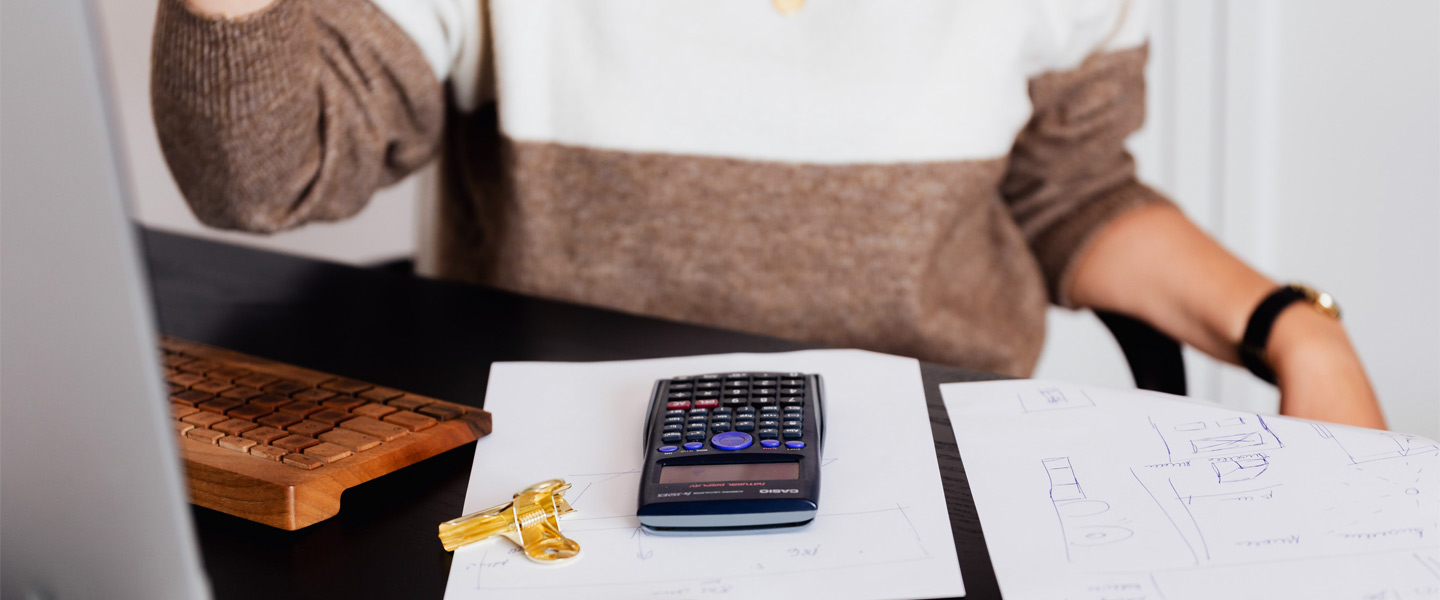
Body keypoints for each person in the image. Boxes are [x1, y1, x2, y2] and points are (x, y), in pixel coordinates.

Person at [150, 0, 1387, 429]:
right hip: (557, 486)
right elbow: (265, 172)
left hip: (944, 466)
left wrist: (1297, 328)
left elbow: (1066, 189)